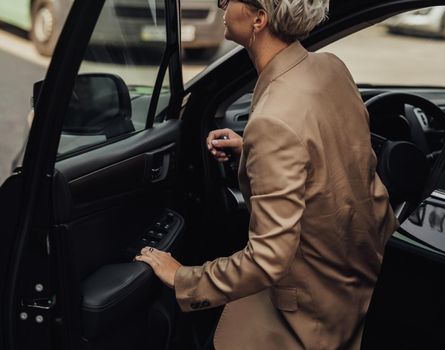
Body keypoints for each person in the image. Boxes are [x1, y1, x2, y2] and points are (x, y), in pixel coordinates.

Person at [135, 0, 399, 348]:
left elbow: (267, 260)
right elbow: (336, 159)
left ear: (259, 19)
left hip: (309, 307)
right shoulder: (330, 67)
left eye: (230, 1)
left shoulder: (274, 120)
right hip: (360, 270)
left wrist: (183, 278)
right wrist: (252, 148)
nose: (221, 5)